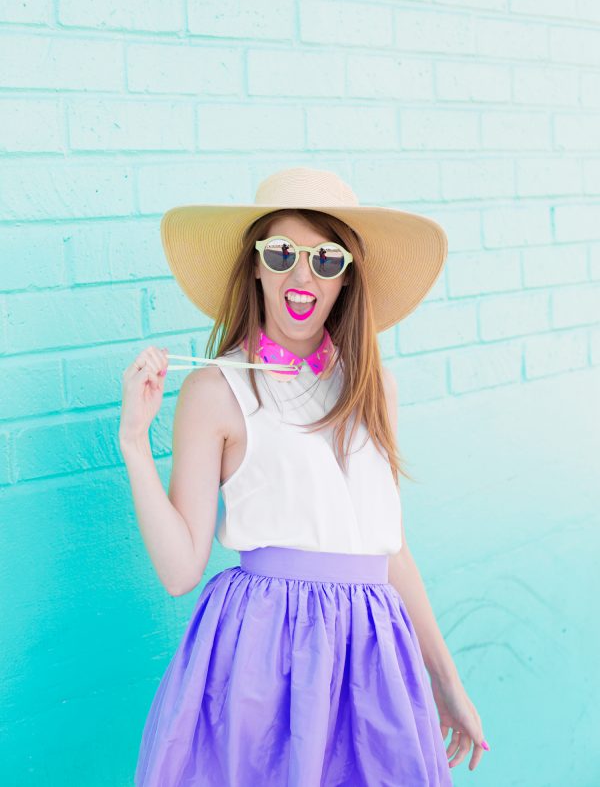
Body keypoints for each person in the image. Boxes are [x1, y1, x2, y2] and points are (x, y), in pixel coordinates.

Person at [119, 167, 490, 786]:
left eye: (326, 258)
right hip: (266, 657)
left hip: (370, 658)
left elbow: (388, 547)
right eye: (283, 252)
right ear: (256, 264)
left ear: (346, 277)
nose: (302, 275)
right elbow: (182, 568)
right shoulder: (217, 389)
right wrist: (134, 443)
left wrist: (445, 681)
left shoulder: (374, 386)